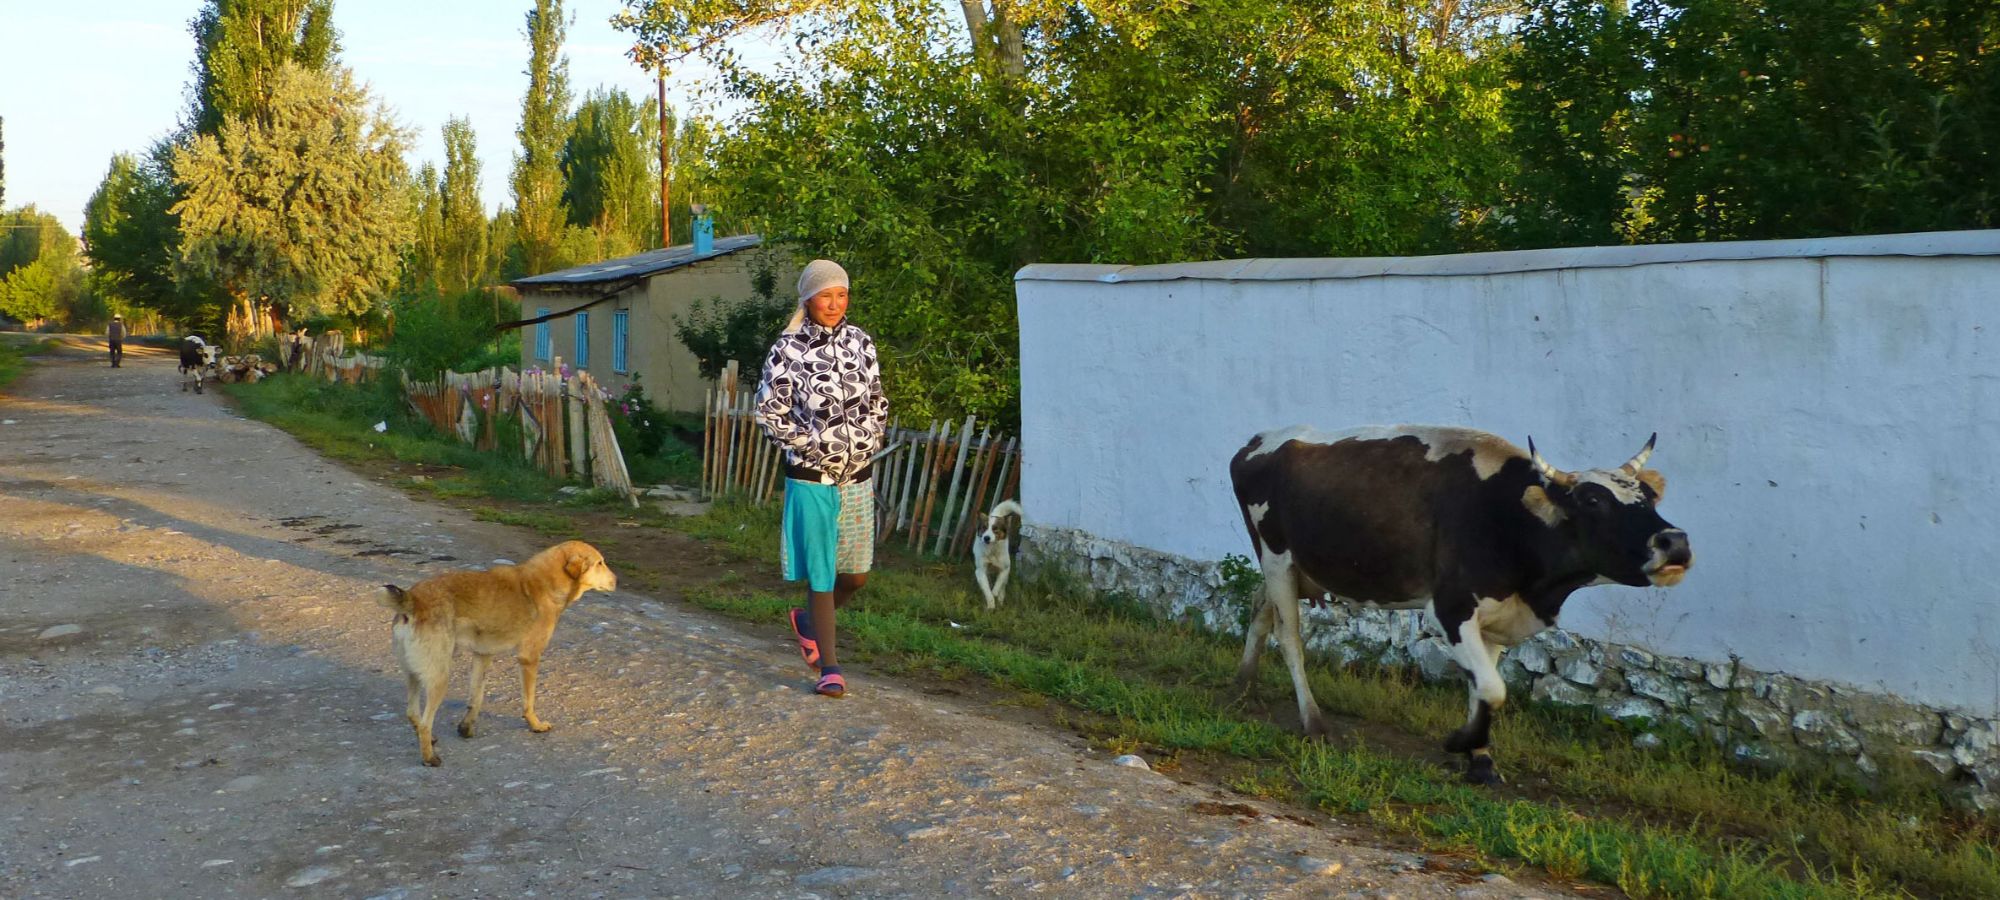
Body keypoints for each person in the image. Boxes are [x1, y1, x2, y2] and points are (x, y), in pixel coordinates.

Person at [754, 259, 889, 698]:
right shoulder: (787, 349)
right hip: (811, 477)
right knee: (822, 574)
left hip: (858, 476)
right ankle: (830, 668)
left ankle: (810, 622)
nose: (834, 304)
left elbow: (877, 401)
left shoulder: (861, 343)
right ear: (808, 299)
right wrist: (813, 446)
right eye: (825, 295)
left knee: (856, 576)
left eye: (841, 294)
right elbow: (769, 411)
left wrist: (870, 439)